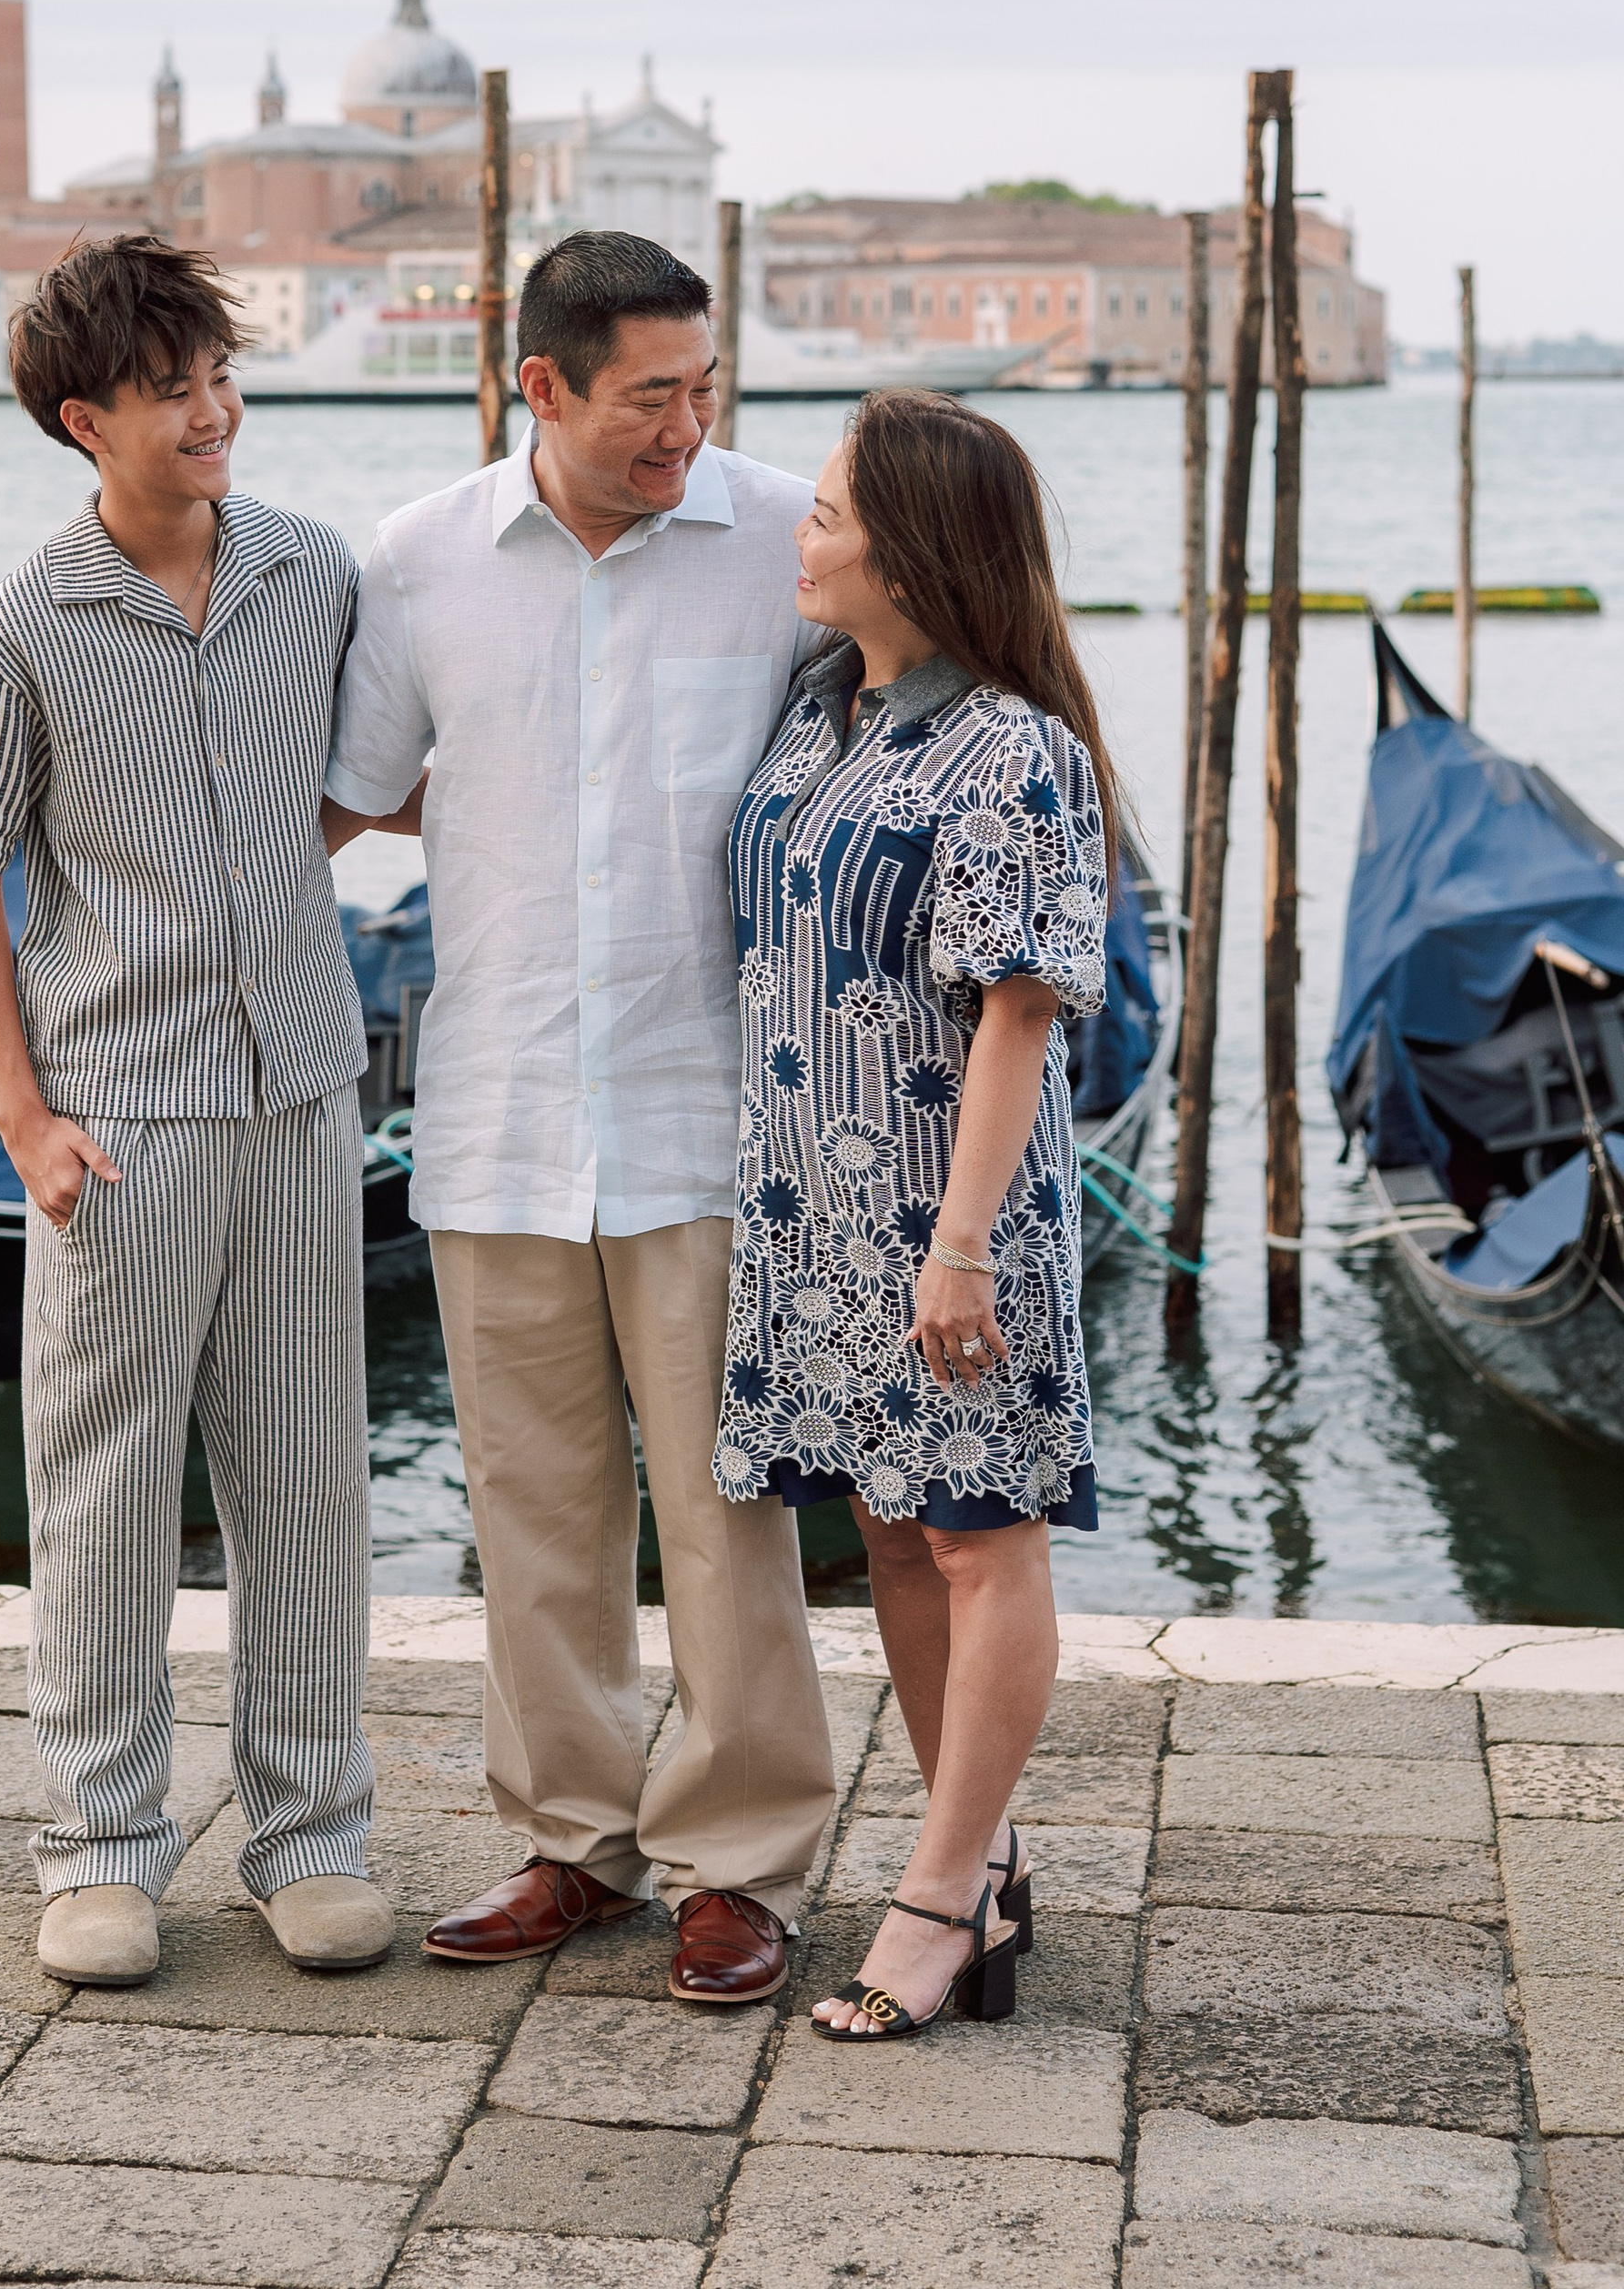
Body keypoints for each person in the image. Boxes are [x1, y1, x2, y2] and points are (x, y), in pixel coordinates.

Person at [323, 229, 837, 2007]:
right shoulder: (418, 559)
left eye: (703, 390)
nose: (684, 428)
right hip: (498, 1105)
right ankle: (573, 1841)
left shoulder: (791, 539)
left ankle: (740, 1862)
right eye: (647, 398)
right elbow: (350, 796)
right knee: (531, 1508)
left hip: (714, 1106)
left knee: (726, 1510)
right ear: (539, 385)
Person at [0, 232, 400, 1990]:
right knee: (105, 1490)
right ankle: (100, 1850)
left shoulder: (312, 572)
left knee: (308, 1480)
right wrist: (23, 1121)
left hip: (301, 1088)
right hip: (119, 1118)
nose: (213, 411)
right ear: (85, 420)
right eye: (171, 389)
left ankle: (312, 1838)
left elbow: (360, 786)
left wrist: (268, 877)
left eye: (220, 376)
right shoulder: (25, 626)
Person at [715, 388, 1115, 2041]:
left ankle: (940, 1898)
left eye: (826, 515)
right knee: (891, 1529)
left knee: (978, 1533)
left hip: (954, 1217)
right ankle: (984, 1865)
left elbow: (1019, 1010)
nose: (799, 538)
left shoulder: (1012, 749)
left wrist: (958, 1248)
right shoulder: (819, 709)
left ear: (917, 549)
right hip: (813, 1213)